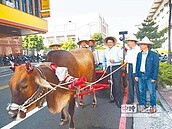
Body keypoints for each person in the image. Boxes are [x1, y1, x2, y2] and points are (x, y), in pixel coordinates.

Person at [135, 37, 159, 113]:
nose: (140, 46)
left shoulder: (154, 54)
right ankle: (143, 104)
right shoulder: (139, 54)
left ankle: (153, 106)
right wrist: (136, 75)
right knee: (142, 91)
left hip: (150, 76)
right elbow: (137, 65)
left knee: (152, 92)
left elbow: (156, 66)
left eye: (141, 44)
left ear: (146, 45)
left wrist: (154, 77)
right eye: (140, 44)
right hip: (141, 75)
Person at [103, 36, 123, 108]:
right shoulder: (105, 50)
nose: (109, 44)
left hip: (116, 67)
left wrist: (114, 60)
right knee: (111, 83)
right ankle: (113, 98)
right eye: (108, 42)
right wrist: (104, 67)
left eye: (111, 42)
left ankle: (118, 101)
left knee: (117, 84)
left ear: (113, 43)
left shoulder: (118, 49)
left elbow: (121, 58)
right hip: (109, 68)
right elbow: (104, 60)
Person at [125, 35, 140, 104]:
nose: (128, 43)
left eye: (129, 42)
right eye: (128, 42)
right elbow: (126, 58)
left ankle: (140, 100)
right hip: (129, 68)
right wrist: (126, 61)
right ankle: (130, 99)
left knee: (137, 85)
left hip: (136, 69)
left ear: (134, 42)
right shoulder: (128, 50)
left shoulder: (138, 50)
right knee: (130, 84)